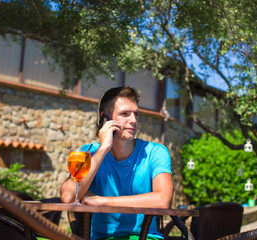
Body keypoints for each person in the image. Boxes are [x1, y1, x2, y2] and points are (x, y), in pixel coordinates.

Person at [60, 86, 173, 240]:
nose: (133, 120)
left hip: (146, 237)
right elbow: (68, 196)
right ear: (105, 118)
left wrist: (101, 201)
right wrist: (103, 149)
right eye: (125, 114)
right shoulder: (89, 152)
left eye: (136, 114)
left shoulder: (155, 152)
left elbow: (163, 200)